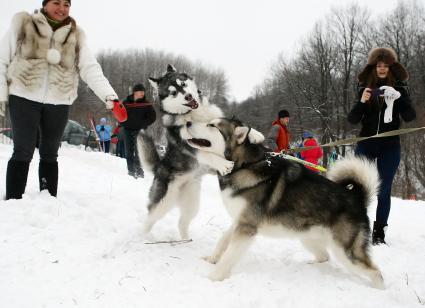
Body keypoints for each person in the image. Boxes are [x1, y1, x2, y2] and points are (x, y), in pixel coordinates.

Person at [0, 0, 118, 199]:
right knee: (23, 150)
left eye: (66, 4)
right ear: (45, 4)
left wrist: (109, 95)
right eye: (56, 3)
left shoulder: (75, 35)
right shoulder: (24, 24)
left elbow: (90, 68)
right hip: (23, 96)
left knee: (50, 152)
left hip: (59, 101)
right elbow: (2, 59)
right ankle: (13, 200)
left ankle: (47, 200)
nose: (61, 8)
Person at [348, 47, 416, 245]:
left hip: (390, 146)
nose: (382, 68)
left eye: (386, 65)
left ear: (391, 68)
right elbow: (352, 119)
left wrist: (399, 98)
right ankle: (358, 229)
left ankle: (379, 233)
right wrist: (362, 102)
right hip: (366, 143)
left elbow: (410, 116)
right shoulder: (364, 88)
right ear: (374, 67)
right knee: (359, 188)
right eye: (379, 65)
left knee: (383, 189)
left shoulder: (400, 89)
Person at [121, 83, 156, 178]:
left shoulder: (146, 104)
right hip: (127, 130)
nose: (142, 94)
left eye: (143, 92)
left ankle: (139, 171)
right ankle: (131, 171)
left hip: (139, 131)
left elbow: (153, 117)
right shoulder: (126, 102)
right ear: (135, 92)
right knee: (128, 151)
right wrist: (123, 123)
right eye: (140, 92)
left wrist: (143, 125)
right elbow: (119, 115)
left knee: (138, 152)